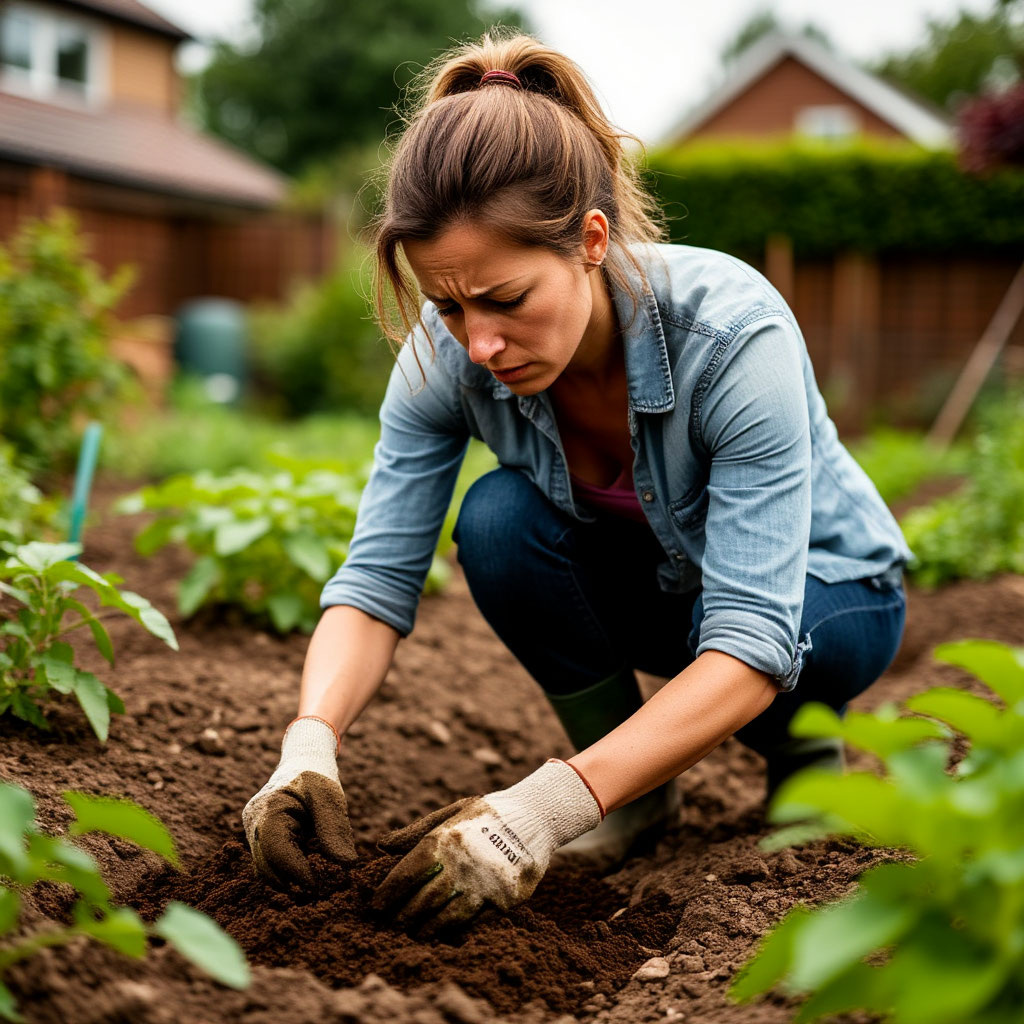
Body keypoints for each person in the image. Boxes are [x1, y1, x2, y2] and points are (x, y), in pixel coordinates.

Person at [242, 30, 910, 935]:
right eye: (448, 306)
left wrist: (543, 808)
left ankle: (800, 747)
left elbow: (752, 635)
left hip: (830, 596)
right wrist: (308, 745)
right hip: (673, 594)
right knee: (497, 523)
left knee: (759, 657)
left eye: (507, 300)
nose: (479, 342)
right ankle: (638, 800)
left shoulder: (731, 336)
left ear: (592, 240)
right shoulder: (449, 355)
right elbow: (374, 580)